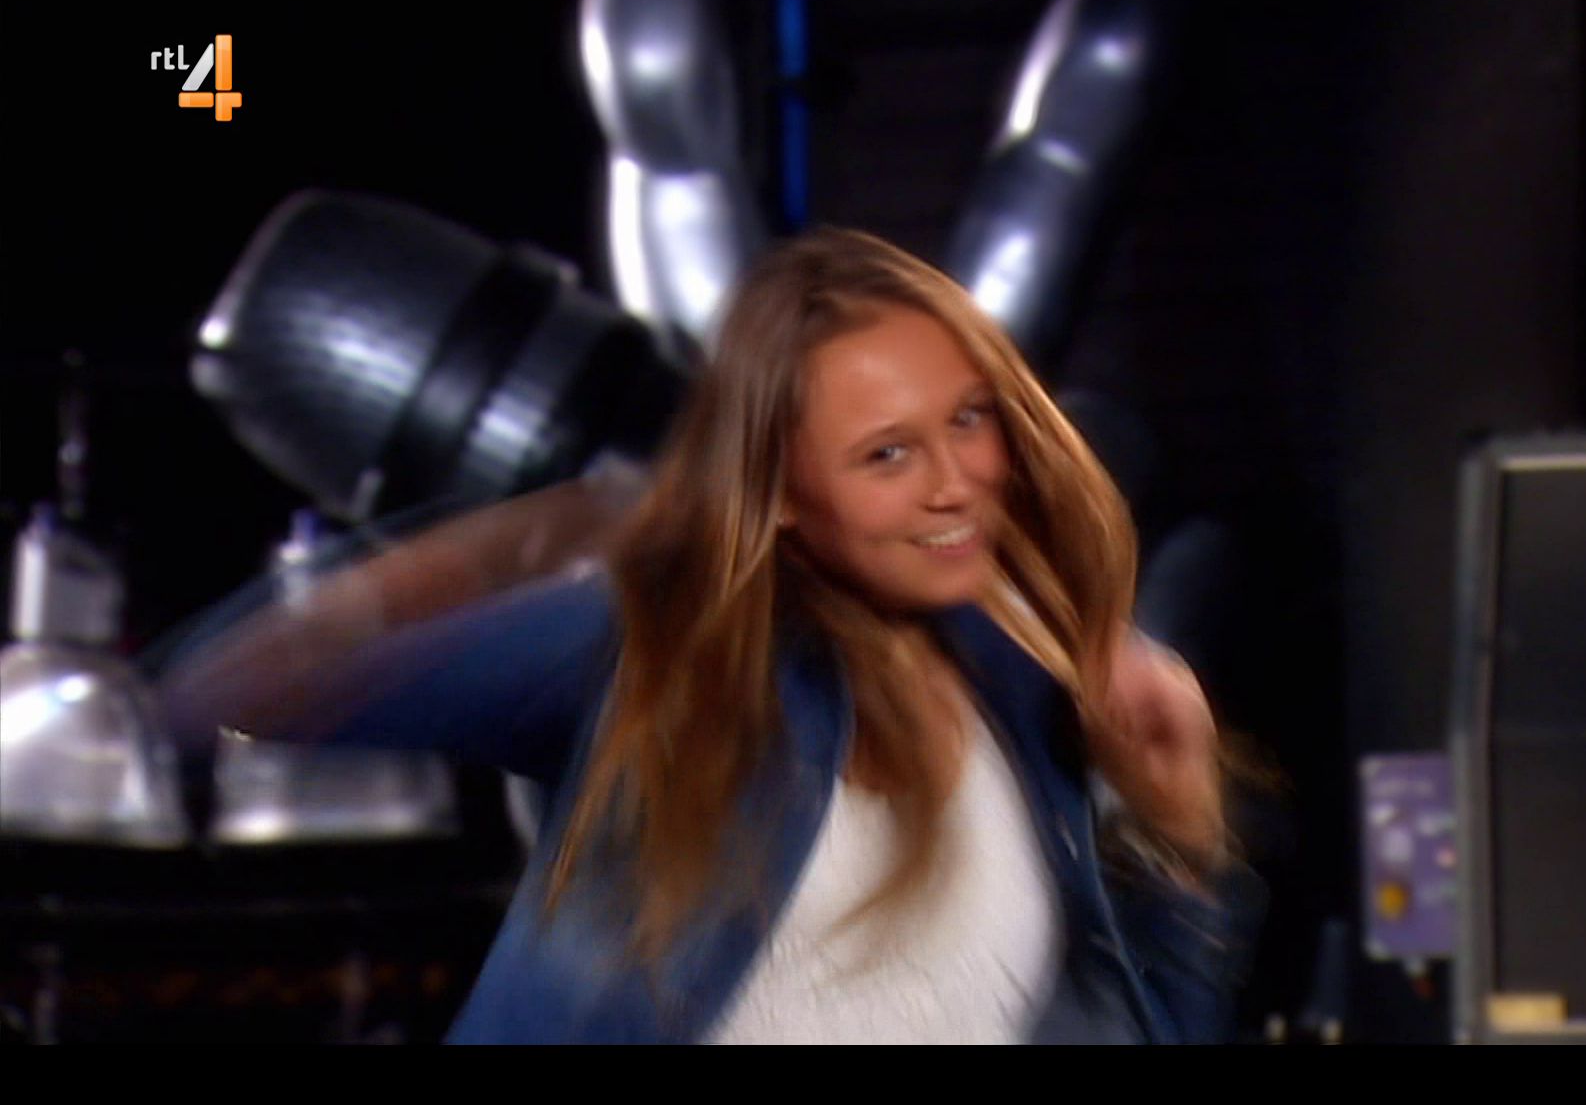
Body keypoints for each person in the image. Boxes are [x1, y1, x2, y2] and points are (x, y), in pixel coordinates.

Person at [162, 227, 1265, 1043]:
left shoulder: (1022, 690)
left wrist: (1178, 832)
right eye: (886, 454)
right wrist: (538, 535)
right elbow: (230, 686)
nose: (954, 484)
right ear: (776, 491)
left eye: (967, 421)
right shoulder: (668, 648)